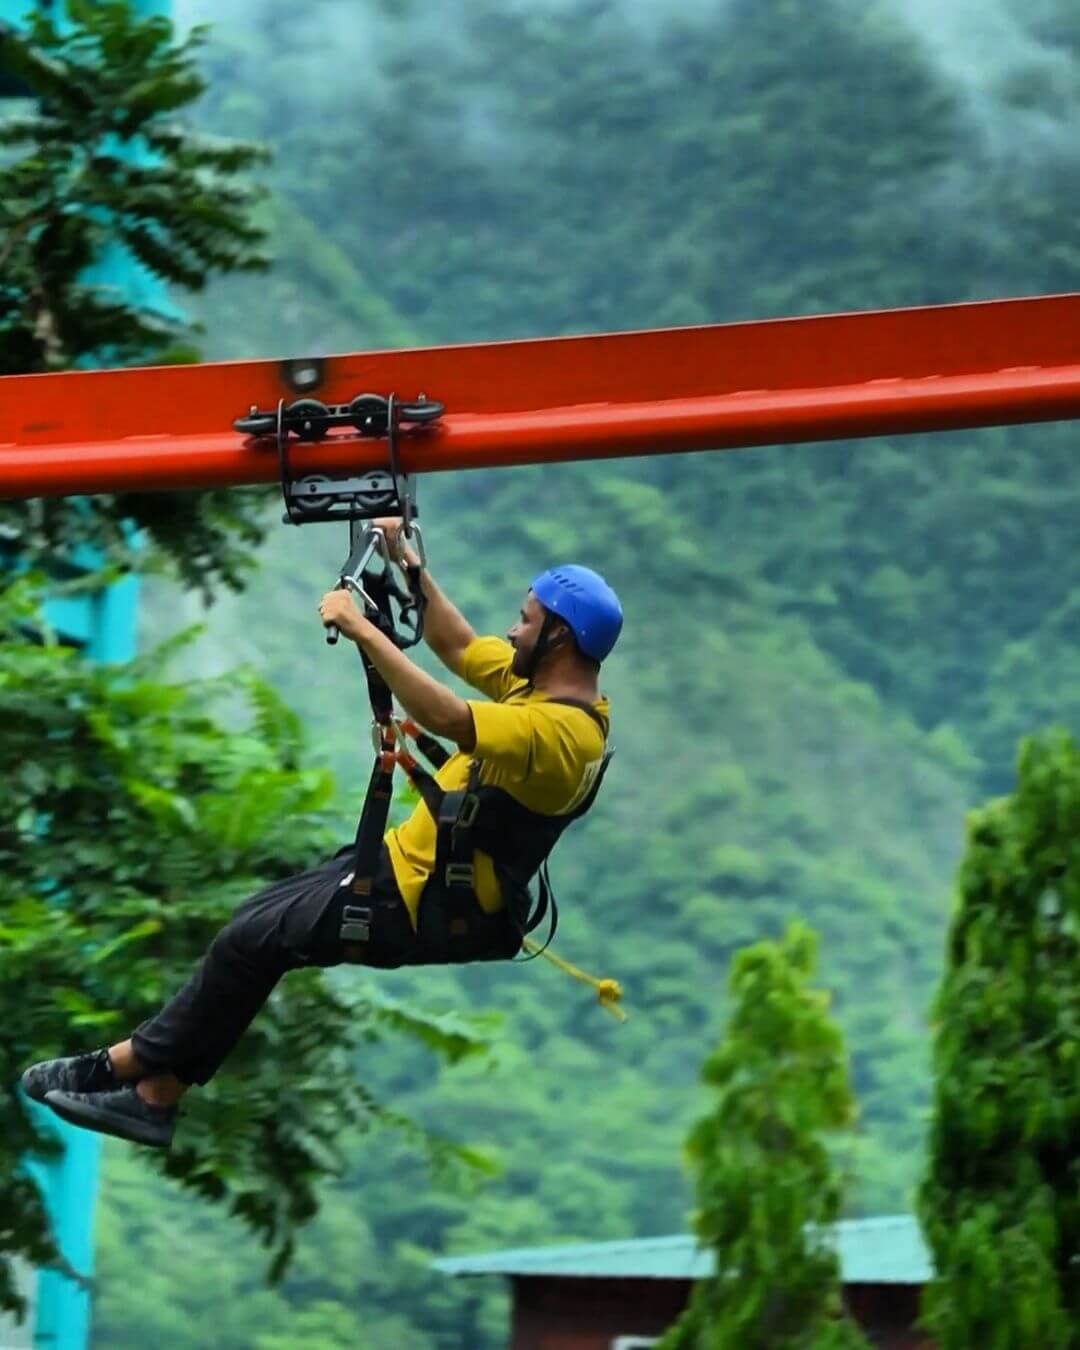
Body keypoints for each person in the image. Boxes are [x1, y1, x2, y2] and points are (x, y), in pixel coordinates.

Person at [19, 519, 622, 1148]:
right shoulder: (539, 688)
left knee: (252, 940)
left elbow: (448, 715)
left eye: (526, 621)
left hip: (424, 899)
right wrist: (408, 564)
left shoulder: (565, 735)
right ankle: (153, 1095)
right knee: (252, 925)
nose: (513, 631)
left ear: (559, 636)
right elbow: (462, 646)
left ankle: (119, 1069)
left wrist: (362, 627)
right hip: (404, 867)